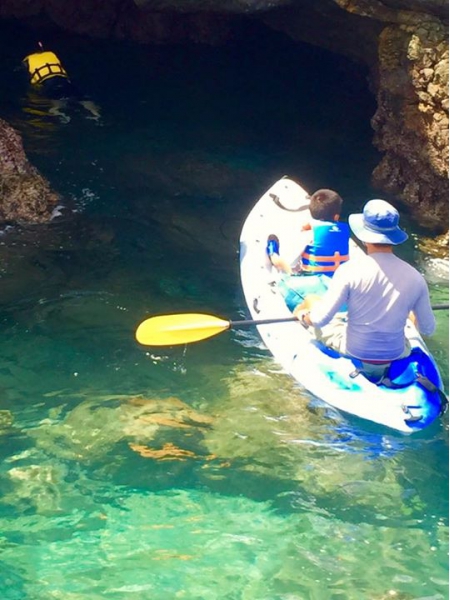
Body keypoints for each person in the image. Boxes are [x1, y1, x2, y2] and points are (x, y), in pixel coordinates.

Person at [295, 199, 436, 380]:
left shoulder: (349, 270)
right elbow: (428, 329)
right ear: (393, 237)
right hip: (398, 353)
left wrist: (305, 317)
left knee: (312, 303)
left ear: (363, 236)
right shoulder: (416, 278)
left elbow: (320, 319)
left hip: (353, 349)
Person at [266, 188, 351, 311]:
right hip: (339, 284)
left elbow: (288, 263)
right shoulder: (345, 231)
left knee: (284, 274)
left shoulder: (309, 233)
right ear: (336, 217)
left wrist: (275, 257)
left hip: (317, 285)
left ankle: (272, 252)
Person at [22, 42, 101, 122]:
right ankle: (96, 115)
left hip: (50, 85)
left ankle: (61, 115)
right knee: (82, 99)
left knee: (56, 105)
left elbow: (28, 78)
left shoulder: (27, 60)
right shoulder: (51, 54)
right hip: (65, 82)